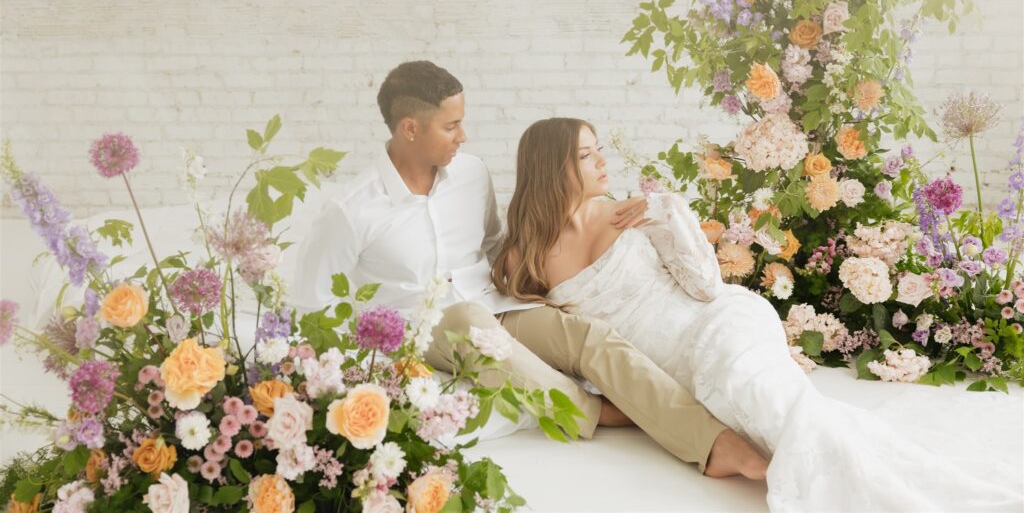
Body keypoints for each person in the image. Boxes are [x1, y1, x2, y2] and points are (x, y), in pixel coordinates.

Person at [492, 117, 1024, 511]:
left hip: (716, 322)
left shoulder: (631, 210)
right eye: (587, 155)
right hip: (668, 363)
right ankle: (863, 472)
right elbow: (556, 336)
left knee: (760, 395)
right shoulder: (524, 257)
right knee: (766, 410)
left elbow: (705, 286)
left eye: (600, 149)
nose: (603, 162)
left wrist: (668, 214)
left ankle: (889, 491)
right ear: (552, 165)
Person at [292, 60, 767, 479]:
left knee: (586, 338)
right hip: (426, 327)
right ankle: (589, 411)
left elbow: (497, 246)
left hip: (493, 306)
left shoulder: (472, 174)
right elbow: (313, 306)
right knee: (467, 321)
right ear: (410, 128)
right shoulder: (350, 210)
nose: (464, 136)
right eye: (451, 126)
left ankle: (713, 444)